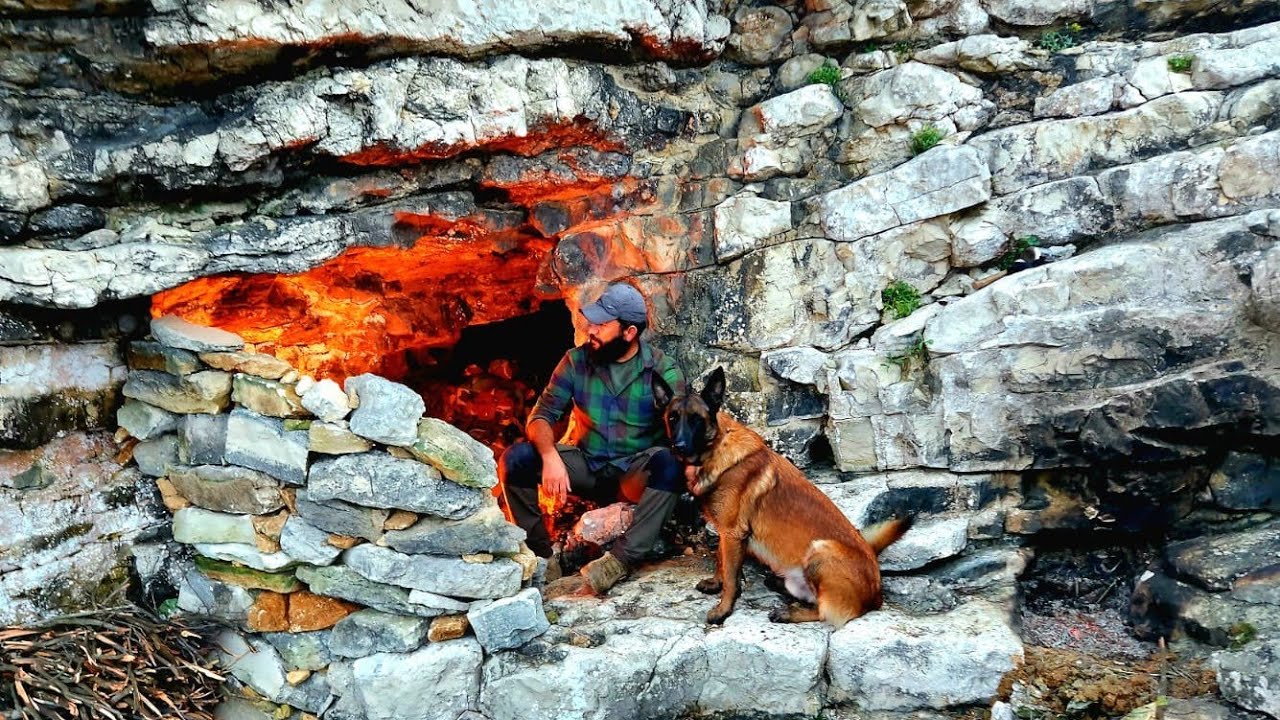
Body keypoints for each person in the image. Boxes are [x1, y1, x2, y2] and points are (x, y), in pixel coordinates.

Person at [499, 282, 686, 593]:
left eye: (601, 324)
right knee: (516, 460)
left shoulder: (662, 371)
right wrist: (550, 457)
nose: (591, 330)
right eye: (592, 321)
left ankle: (620, 561)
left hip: (633, 474)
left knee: (671, 464)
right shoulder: (576, 361)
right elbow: (541, 415)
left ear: (629, 332)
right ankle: (542, 560)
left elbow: (682, 432)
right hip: (587, 466)